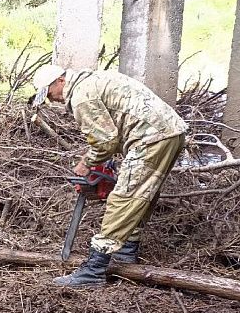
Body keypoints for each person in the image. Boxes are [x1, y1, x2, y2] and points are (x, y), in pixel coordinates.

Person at [32, 64, 188, 287]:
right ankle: (126, 251)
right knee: (142, 195)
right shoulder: (93, 80)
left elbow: (105, 141)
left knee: (124, 198)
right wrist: (105, 160)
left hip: (152, 138)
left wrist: (86, 163)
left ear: (60, 81)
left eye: (49, 94)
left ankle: (94, 270)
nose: (52, 100)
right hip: (171, 132)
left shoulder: (81, 96)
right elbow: (114, 130)